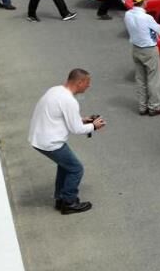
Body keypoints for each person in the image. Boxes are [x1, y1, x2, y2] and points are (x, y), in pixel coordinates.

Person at [29, 68, 105, 215]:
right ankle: (69, 202)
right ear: (80, 82)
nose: (88, 86)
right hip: (50, 142)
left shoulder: (56, 90)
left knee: (65, 166)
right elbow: (76, 129)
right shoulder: (69, 101)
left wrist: (83, 120)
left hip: (39, 137)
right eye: (87, 83)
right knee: (76, 168)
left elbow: (63, 116)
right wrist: (94, 126)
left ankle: (60, 199)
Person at [125, 0, 160, 115]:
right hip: (149, 49)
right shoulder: (146, 17)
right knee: (154, 79)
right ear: (143, 1)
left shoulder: (128, 15)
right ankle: (154, 107)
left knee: (140, 79)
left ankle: (142, 107)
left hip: (136, 48)